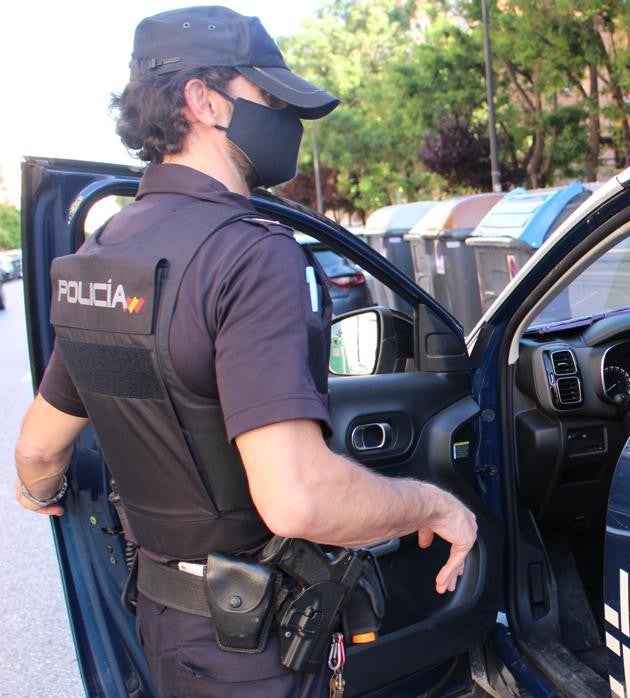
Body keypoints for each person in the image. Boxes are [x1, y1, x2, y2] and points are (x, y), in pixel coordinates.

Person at [13, 6, 477, 696]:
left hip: (164, 624)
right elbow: (297, 499)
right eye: (269, 98)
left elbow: (39, 452)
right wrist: (436, 506)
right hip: (255, 646)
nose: (285, 120)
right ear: (204, 100)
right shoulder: (251, 254)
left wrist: (40, 493)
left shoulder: (101, 257)